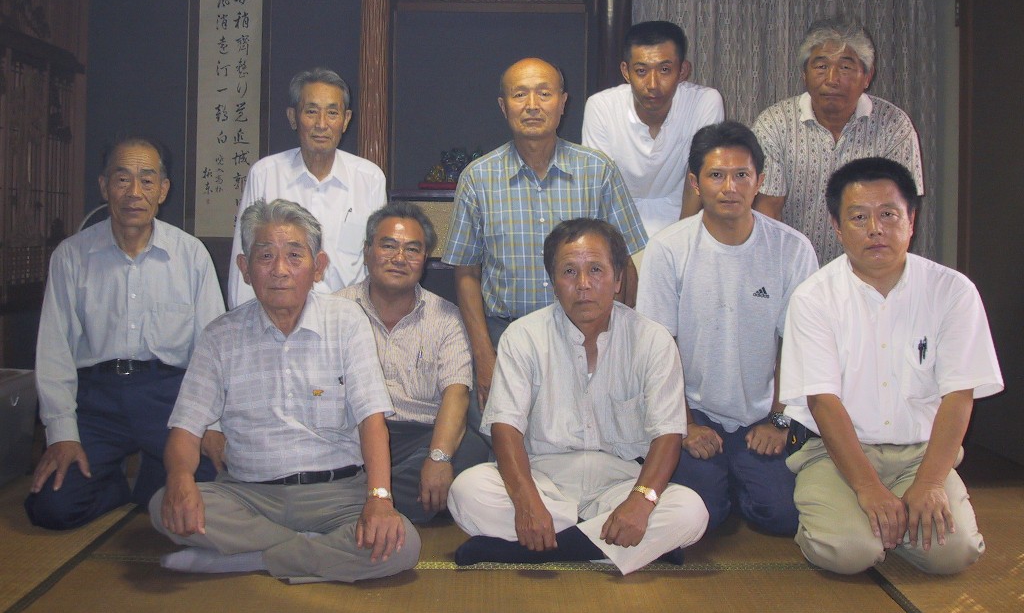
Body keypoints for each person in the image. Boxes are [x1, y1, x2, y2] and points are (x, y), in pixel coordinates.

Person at [150, 199, 420, 582]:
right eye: (265, 256)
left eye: (294, 255)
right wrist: (180, 478)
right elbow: (185, 429)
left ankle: (248, 559)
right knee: (163, 504)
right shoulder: (219, 336)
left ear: (318, 267)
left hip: (337, 494)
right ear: (245, 269)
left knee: (404, 544)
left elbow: (371, 420)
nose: (279, 270)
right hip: (249, 496)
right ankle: (311, 552)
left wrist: (379, 499)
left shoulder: (347, 322)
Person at [447, 219, 709, 575]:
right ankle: (617, 546)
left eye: (596, 270)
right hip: (543, 480)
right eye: (569, 271)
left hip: (621, 483)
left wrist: (640, 500)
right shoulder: (523, 336)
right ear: (553, 282)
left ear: (618, 279)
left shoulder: (653, 340)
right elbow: (505, 428)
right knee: (467, 491)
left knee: (691, 511)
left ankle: (531, 549)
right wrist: (526, 502)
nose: (583, 284)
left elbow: (668, 434)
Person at [781, 158, 1003, 575]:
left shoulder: (952, 291)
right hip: (835, 454)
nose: (875, 229)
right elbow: (822, 402)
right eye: (858, 217)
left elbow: (959, 396)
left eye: (888, 215)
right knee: (849, 553)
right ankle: (863, 524)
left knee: (954, 554)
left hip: (921, 453)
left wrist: (931, 483)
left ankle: (890, 525)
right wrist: (868, 488)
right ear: (836, 226)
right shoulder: (813, 298)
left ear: (911, 220)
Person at [26, 137, 224, 530]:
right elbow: (54, 352)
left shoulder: (190, 255)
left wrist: (212, 425)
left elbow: (213, 351)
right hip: (96, 400)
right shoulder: (71, 256)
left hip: (169, 399)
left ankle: (153, 479)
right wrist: (61, 434)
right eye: (122, 179)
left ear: (163, 190)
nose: (134, 192)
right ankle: (120, 487)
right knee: (52, 507)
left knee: (215, 488)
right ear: (104, 186)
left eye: (147, 181)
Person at [443, 57, 647, 426]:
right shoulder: (478, 178)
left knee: (590, 435)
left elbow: (626, 263)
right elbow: (466, 273)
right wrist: (485, 356)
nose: (533, 105)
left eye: (544, 93)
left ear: (563, 102)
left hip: (584, 331)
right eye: (520, 94)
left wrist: (614, 341)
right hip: (506, 335)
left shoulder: (597, 170)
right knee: (505, 439)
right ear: (504, 106)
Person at [637, 122, 817, 536]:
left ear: (760, 181)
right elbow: (657, 349)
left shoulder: (792, 249)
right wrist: (684, 424)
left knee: (783, 515)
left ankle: (739, 475)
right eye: (717, 175)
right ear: (695, 183)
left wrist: (779, 421)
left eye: (741, 175)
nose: (730, 187)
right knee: (704, 516)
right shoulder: (668, 248)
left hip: (764, 412)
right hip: (694, 409)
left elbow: (797, 346)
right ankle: (725, 480)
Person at [336, 201, 488, 523]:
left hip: (421, 436)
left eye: (412, 249)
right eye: (388, 246)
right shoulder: (335, 311)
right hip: (355, 435)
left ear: (425, 259)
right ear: (367, 251)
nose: (399, 258)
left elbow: (456, 393)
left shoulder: (447, 317)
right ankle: (397, 502)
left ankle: (359, 501)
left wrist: (438, 458)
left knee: (472, 452)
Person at [752, 18, 924, 265]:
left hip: (868, 268)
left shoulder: (894, 126)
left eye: (845, 67)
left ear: (867, 76)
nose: (832, 79)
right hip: (794, 269)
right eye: (821, 66)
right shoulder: (774, 124)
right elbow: (768, 211)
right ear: (804, 74)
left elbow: (900, 211)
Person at [227, 67, 386, 308]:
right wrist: (244, 321)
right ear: (293, 117)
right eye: (311, 111)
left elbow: (377, 263)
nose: (321, 124)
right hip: (278, 314)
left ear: (345, 120)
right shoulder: (266, 174)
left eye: (332, 113)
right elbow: (246, 255)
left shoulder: (369, 178)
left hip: (347, 317)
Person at [582, 20, 724, 237]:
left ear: (683, 70)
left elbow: (699, 176)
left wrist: (680, 243)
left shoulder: (705, 102)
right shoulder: (601, 106)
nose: (653, 84)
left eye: (665, 70)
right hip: (617, 229)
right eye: (641, 71)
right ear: (626, 71)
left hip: (685, 224)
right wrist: (621, 248)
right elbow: (599, 187)